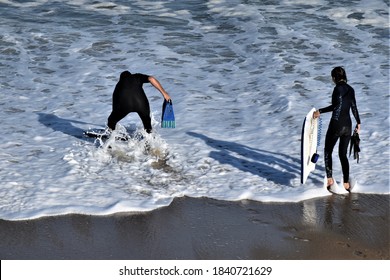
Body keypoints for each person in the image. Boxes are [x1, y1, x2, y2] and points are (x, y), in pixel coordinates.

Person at [313, 67, 361, 191]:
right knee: (343, 154)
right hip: (348, 126)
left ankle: (330, 179)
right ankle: (345, 182)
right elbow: (354, 107)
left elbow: (335, 106)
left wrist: (320, 111)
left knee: (328, 151)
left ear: (334, 78)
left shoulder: (337, 89)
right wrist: (359, 123)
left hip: (336, 125)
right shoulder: (351, 89)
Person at [107, 70, 171, 133]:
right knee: (147, 123)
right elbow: (151, 78)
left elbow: (115, 107)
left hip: (125, 105)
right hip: (141, 103)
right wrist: (164, 93)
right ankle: (150, 138)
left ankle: (111, 136)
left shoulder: (119, 85)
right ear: (131, 75)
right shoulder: (137, 76)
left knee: (111, 121)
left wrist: (113, 117)